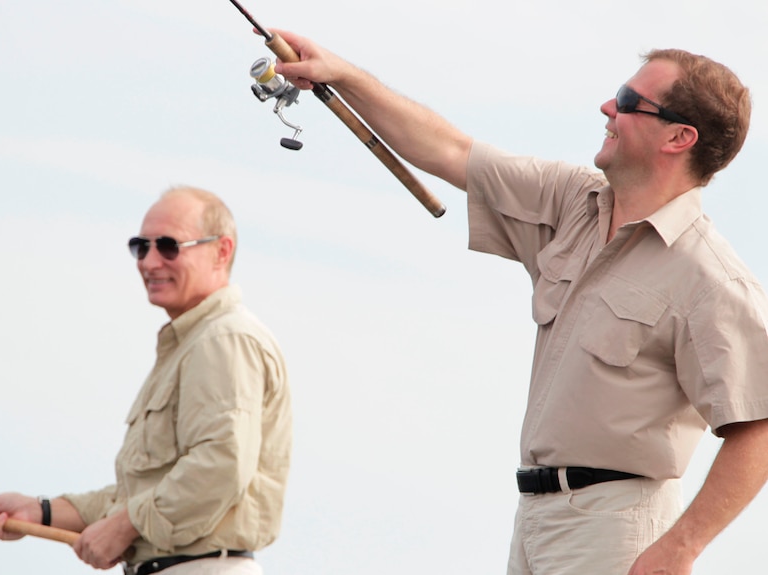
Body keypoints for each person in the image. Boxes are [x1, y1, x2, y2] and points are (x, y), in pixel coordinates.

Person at [267, 29, 768, 574]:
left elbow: (759, 428)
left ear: (679, 138)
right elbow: (452, 152)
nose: (606, 108)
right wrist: (341, 73)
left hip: (615, 530)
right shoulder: (571, 199)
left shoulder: (711, 279)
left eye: (627, 103)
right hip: (533, 519)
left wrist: (680, 548)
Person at [0, 186, 293, 575]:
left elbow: (220, 466)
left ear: (222, 251)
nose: (150, 261)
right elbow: (140, 495)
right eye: (141, 247)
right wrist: (40, 512)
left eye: (169, 246)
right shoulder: (195, 344)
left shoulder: (224, 339)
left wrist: (125, 526)